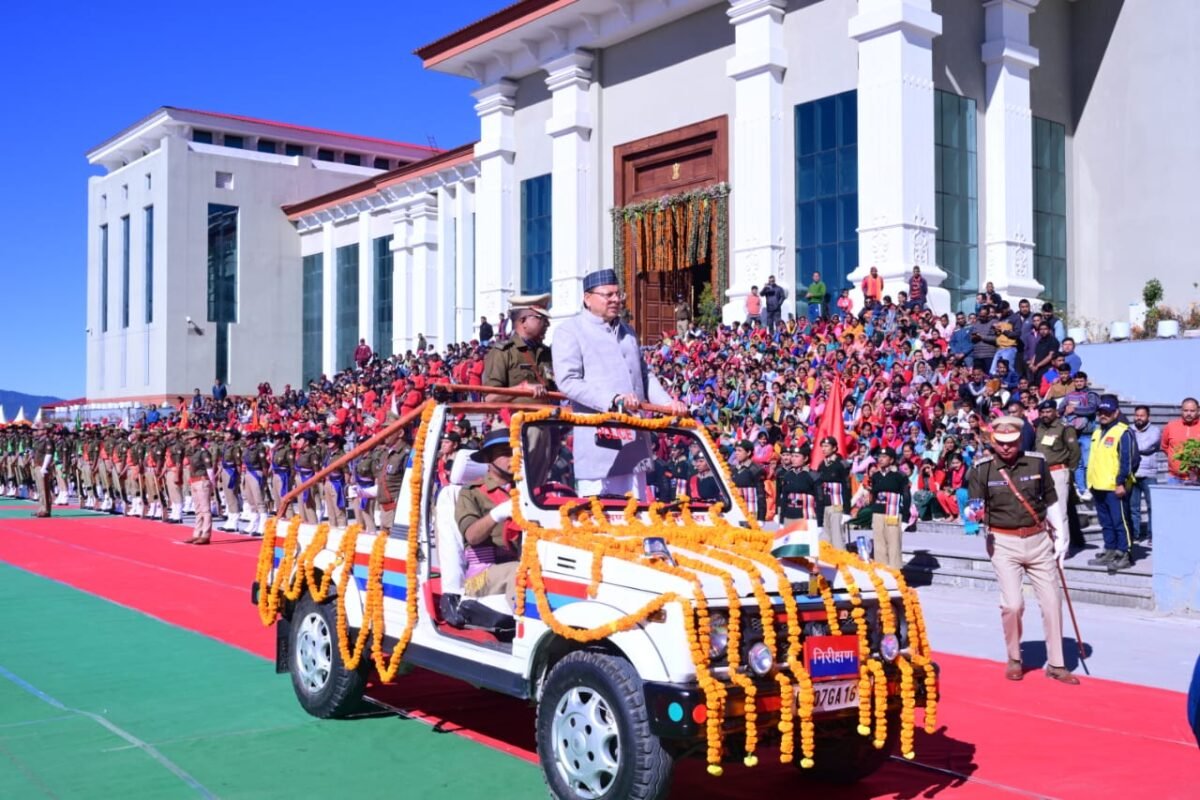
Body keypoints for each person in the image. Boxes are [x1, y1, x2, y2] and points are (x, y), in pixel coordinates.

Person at [551, 268, 686, 498]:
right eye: (608, 295)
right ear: (587, 298)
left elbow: (644, 375)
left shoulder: (628, 331)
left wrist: (667, 404)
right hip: (600, 444)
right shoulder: (570, 331)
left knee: (638, 511)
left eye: (618, 294)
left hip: (634, 443)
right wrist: (612, 400)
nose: (615, 299)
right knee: (602, 514)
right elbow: (568, 381)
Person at [966, 416, 1077, 684]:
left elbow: (1051, 501)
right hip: (1003, 541)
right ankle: (1015, 657)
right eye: (1001, 442)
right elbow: (973, 506)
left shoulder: (1037, 463)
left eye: (1012, 442)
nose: (1006, 447)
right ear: (993, 441)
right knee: (1013, 605)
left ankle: (1056, 664)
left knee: (1052, 602)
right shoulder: (982, 469)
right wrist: (972, 513)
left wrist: (1061, 537)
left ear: (1020, 440)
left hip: (1038, 539)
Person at [455, 429, 521, 601]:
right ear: (488, 459)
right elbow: (472, 536)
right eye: (506, 453)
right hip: (481, 574)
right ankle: (521, 617)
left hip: (520, 561)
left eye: (516, 452)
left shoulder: (523, 491)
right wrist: (497, 514)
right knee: (519, 572)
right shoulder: (471, 492)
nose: (514, 458)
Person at [1086, 394, 1138, 572]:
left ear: (1116, 413)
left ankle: (1124, 554)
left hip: (1115, 487)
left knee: (1120, 522)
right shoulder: (1097, 432)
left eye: (1107, 412)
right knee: (1106, 522)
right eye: (1101, 412)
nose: (1103, 415)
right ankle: (1110, 550)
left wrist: (1121, 481)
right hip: (1097, 485)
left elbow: (1128, 460)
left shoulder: (1123, 432)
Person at [483, 294, 555, 403]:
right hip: (516, 414)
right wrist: (521, 389)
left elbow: (553, 386)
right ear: (523, 321)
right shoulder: (503, 352)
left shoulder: (546, 352)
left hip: (548, 412)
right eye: (541, 318)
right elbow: (490, 398)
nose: (547, 324)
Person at [1034, 399, 1081, 560]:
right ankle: (1049, 545)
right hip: (1042, 473)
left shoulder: (1064, 428)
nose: (1045, 415)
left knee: (1060, 511)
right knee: (1044, 512)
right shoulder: (1040, 428)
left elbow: (1075, 452)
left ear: (1055, 412)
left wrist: (1069, 470)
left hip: (1058, 471)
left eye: (1048, 411)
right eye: (1042, 412)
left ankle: (1063, 548)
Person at [868, 447, 910, 569]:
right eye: (879, 457)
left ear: (891, 460)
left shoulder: (899, 475)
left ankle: (895, 571)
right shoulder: (876, 476)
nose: (880, 459)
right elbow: (874, 495)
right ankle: (881, 570)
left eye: (884, 457)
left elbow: (906, 496)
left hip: (893, 512)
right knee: (879, 543)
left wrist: (905, 518)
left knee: (893, 543)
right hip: (878, 512)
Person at [1062, 372, 1100, 497]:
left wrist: (1075, 409)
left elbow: (1092, 409)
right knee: (1078, 463)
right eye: (1076, 381)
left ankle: (1090, 487)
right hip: (1073, 434)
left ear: (1085, 381)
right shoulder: (1070, 395)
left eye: (1081, 381)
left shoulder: (1091, 395)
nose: (1079, 383)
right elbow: (1061, 409)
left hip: (1087, 434)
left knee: (1088, 463)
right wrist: (1065, 412)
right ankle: (1081, 488)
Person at [1129, 405, 1160, 542]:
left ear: (1148, 417)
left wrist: (1132, 447)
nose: (1139, 418)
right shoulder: (1129, 430)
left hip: (1149, 473)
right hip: (1133, 473)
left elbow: (1145, 446)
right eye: (1137, 415)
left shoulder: (1155, 431)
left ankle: (1152, 535)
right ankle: (1135, 535)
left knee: (1152, 507)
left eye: (1142, 415)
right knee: (1133, 507)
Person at [817, 436, 850, 550]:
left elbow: (847, 488)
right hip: (825, 505)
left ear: (834, 448)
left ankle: (841, 559)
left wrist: (847, 511)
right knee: (825, 538)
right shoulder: (822, 465)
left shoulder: (841, 464)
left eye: (826, 446)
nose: (823, 449)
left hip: (837, 505)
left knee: (837, 538)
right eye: (822, 446)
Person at [183, 430, 215, 545]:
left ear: (199, 439)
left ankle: (206, 535)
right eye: (189, 439)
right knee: (198, 510)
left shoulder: (203, 452)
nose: (190, 441)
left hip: (202, 480)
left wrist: (212, 483)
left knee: (205, 510)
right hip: (194, 480)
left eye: (192, 439)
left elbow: (209, 468)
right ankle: (197, 534)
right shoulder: (193, 452)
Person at [1160, 397, 1200, 484]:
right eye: (1186, 410)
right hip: (1174, 478)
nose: (1188, 413)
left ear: (1198, 411)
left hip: (1197, 479)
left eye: (1192, 411)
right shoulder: (1171, 426)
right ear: (1181, 411)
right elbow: (1164, 446)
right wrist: (1174, 459)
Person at [729, 440, 767, 523]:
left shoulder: (755, 470)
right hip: (736, 511)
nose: (736, 453)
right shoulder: (733, 469)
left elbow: (761, 495)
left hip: (751, 511)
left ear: (748, 452)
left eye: (739, 450)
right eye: (735, 450)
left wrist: (761, 518)